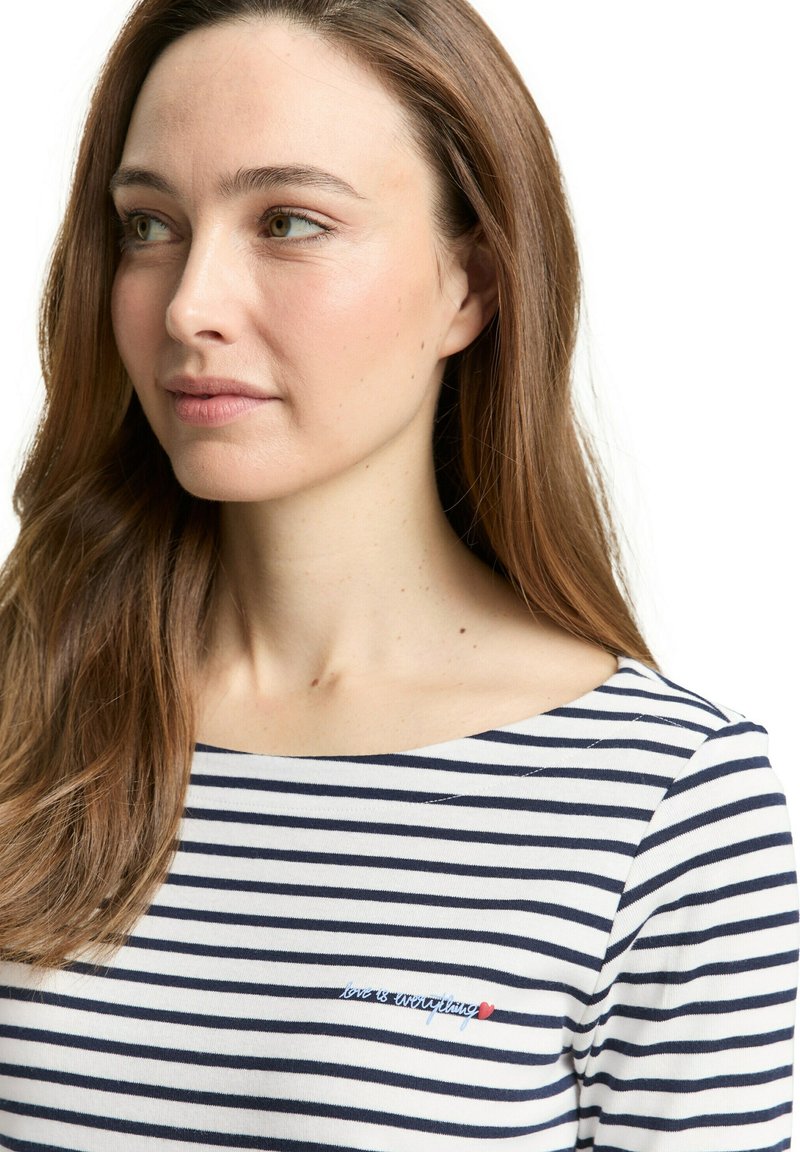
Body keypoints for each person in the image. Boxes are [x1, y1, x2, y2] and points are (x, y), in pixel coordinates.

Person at [0, 0, 796, 1148]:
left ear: (469, 286)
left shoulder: (666, 807)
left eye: (288, 220)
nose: (188, 304)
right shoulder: (25, 709)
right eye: (148, 224)